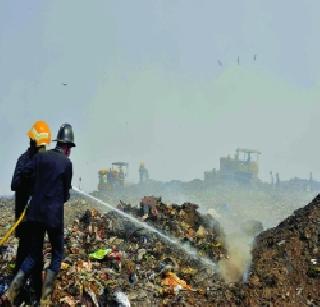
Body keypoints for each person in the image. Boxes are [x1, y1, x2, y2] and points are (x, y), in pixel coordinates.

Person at [6, 123, 75, 304]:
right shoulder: (65, 163)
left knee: (32, 255)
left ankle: (12, 292)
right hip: (49, 218)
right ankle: (44, 300)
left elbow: (29, 178)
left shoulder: (39, 159)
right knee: (57, 254)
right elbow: (66, 193)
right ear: (67, 147)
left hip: (34, 216)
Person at [11, 120, 52, 303]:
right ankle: (16, 293)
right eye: (41, 145)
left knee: (36, 258)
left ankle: (35, 295)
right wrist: (30, 172)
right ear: (35, 143)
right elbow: (15, 184)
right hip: (24, 218)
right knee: (24, 255)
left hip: (37, 219)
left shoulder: (42, 162)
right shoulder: (24, 160)